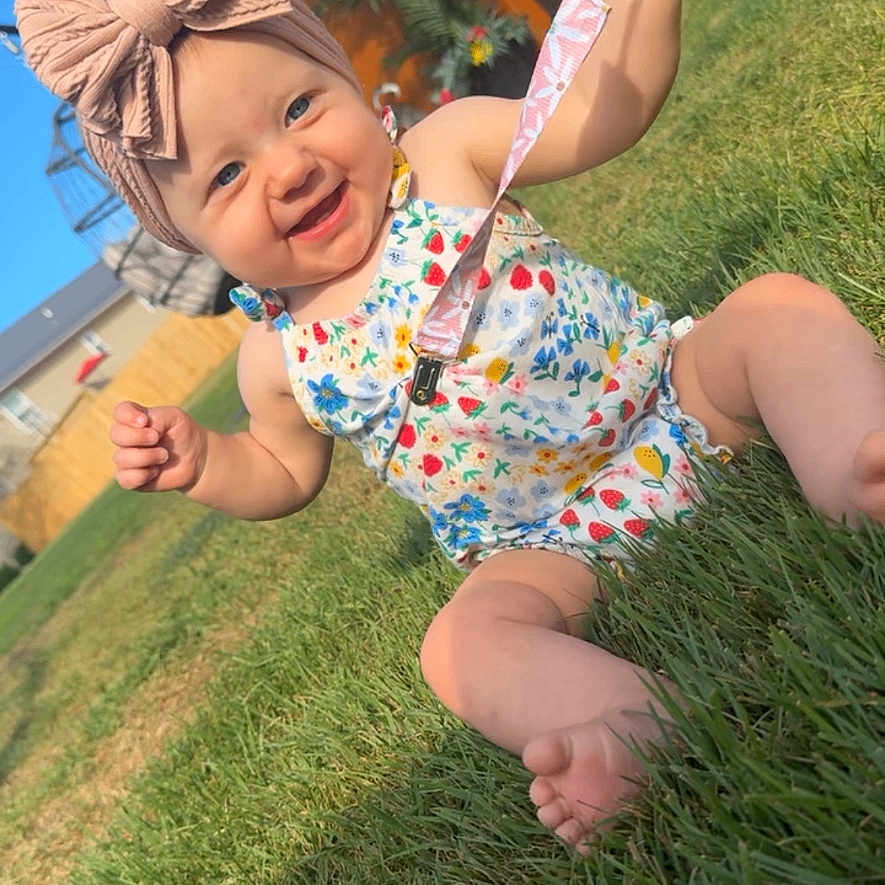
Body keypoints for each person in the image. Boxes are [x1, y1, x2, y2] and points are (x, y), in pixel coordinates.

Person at [17, 0, 885, 853]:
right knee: (459, 646)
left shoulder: (445, 152)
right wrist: (205, 461)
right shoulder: (275, 357)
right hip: (550, 542)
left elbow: (600, 111)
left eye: (297, 108)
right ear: (189, 235)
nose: (288, 168)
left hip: (671, 395)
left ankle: (857, 465)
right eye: (227, 176)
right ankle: (636, 726)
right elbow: (283, 472)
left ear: (347, 82)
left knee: (773, 310)